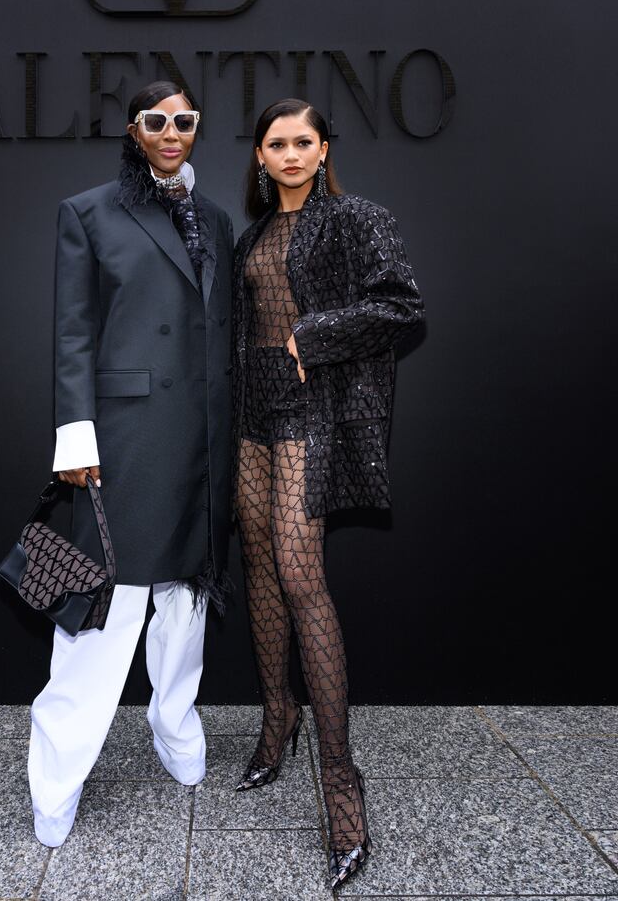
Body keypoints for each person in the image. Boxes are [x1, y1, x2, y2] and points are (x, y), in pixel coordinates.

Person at [27, 81, 234, 848]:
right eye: (158, 120)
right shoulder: (88, 212)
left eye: (185, 120)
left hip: (204, 440)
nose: (172, 131)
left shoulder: (214, 216)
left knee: (186, 603)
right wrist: (74, 436)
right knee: (99, 616)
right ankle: (56, 776)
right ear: (134, 128)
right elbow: (73, 332)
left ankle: (174, 724)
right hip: (124, 441)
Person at [231, 98, 424, 889]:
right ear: (258, 155)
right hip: (251, 412)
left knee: (304, 575)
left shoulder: (356, 219)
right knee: (262, 570)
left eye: (302, 141)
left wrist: (315, 335)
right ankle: (279, 720)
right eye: (275, 143)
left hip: (312, 410)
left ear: (323, 147)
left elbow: (401, 305)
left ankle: (341, 781)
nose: (289, 153)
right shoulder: (251, 235)